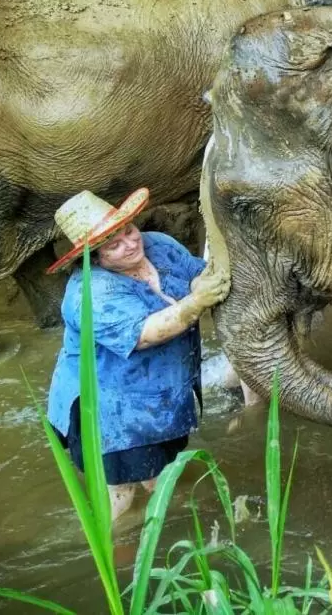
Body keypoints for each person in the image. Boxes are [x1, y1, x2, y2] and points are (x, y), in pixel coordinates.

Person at [45, 187, 228, 522]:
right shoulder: (90, 293)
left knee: (163, 471)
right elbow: (146, 334)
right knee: (120, 497)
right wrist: (196, 304)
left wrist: (203, 285)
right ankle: (116, 557)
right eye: (113, 245)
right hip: (109, 412)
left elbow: (197, 273)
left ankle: (173, 522)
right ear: (94, 258)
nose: (130, 244)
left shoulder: (158, 244)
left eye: (128, 231)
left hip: (159, 398)